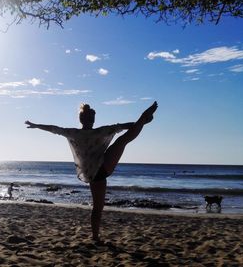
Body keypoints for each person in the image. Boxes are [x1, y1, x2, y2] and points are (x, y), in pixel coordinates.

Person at [25, 101, 157, 242]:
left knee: (98, 207)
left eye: (92, 118)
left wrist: (141, 123)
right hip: (100, 171)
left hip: (94, 172)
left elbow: (124, 126)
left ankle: (95, 238)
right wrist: (142, 122)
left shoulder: (80, 132)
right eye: (90, 118)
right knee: (122, 141)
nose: (91, 121)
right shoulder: (91, 132)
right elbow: (54, 128)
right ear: (82, 119)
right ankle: (95, 237)